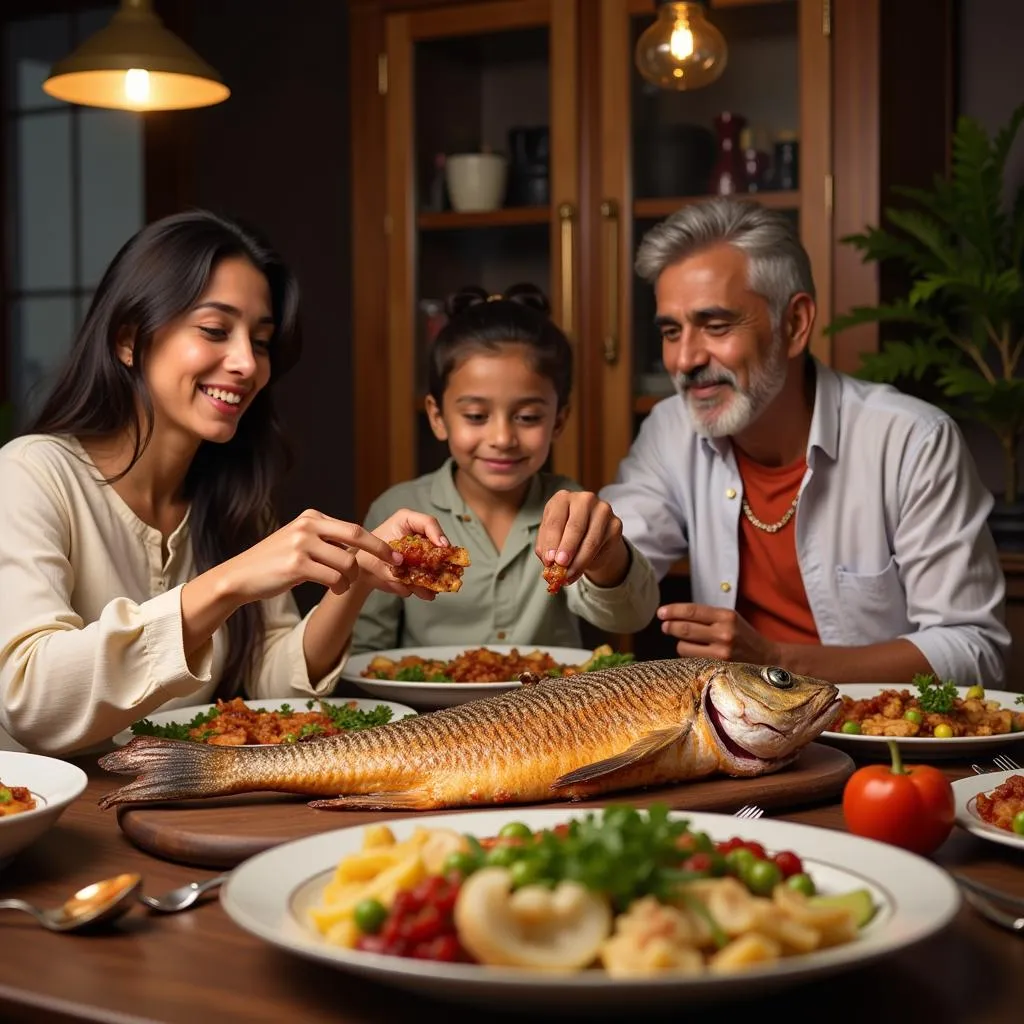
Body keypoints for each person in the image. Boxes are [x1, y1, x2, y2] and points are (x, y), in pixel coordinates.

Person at [0, 210, 449, 756]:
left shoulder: (232, 496)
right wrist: (227, 583)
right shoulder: (31, 474)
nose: (246, 363)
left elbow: (272, 688)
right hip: (57, 820)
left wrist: (353, 577)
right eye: (215, 330)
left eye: (260, 342)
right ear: (128, 340)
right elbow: (31, 701)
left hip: (186, 802)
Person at [598, 197, 1010, 686]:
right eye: (671, 330)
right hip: (740, 742)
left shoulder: (912, 441)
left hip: (878, 748)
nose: (685, 359)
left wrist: (778, 660)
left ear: (793, 325)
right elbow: (621, 601)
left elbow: (974, 648)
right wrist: (601, 555)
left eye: (716, 325)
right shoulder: (671, 429)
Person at [352, 284, 660, 653]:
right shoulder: (396, 510)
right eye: (476, 416)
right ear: (437, 416)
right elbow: (364, 649)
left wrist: (606, 556)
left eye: (528, 417)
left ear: (559, 421)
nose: (502, 437)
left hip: (548, 709)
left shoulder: (568, 509)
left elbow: (628, 617)